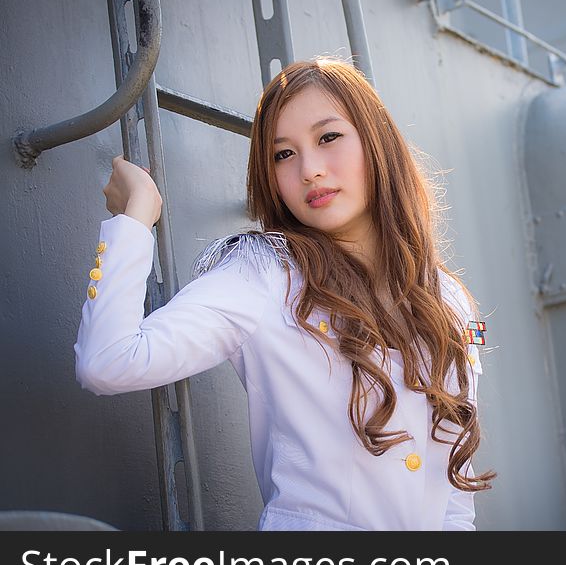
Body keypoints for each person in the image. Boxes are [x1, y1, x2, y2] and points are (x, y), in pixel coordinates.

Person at [74, 55, 496, 531]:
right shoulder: (266, 272)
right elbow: (106, 361)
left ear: (377, 142)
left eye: (328, 137)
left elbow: (454, 501)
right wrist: (135, 219)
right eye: (284, 154)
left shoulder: (447, 301)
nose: (310, 169)